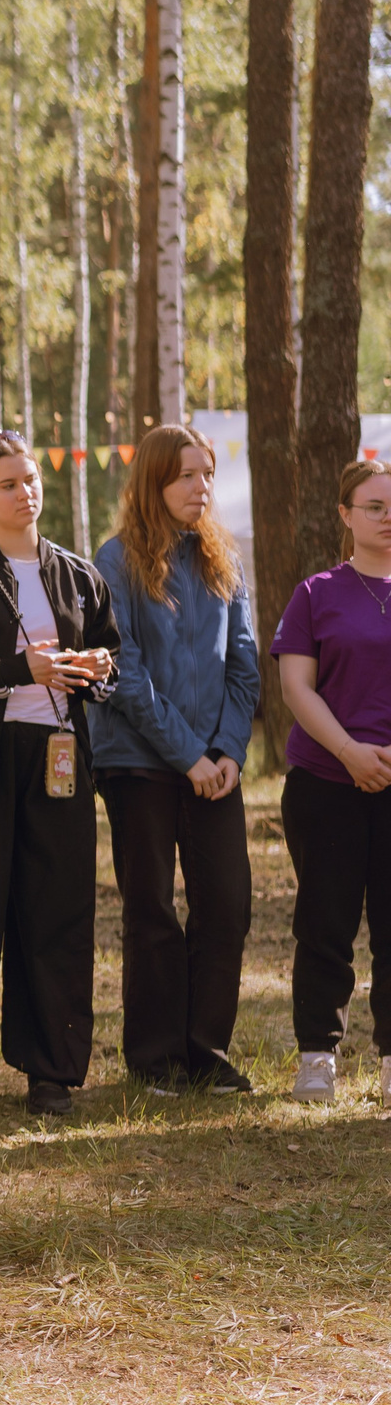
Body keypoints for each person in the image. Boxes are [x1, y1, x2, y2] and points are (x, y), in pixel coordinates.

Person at [0, 430, 120, 1118]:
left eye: (32, 479)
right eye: (8, 483)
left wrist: (94, 671)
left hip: (59, 760)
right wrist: (17, 672)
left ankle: (51, 1069)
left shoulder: (77, 574)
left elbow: (108, 657)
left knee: (57, 910)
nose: (25, 492)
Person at [91, 425, 258, 1097]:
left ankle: (206, 1052)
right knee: (153, 909)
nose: (202, 488)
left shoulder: (224, 557)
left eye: (208, 474)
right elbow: (125, 672)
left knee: (227, 904)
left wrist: (227, 752)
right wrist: (188, 755)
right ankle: (156, 1058)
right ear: (154, 481)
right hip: (139, 762)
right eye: (187, 475)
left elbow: (245, 665)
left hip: (215, 765)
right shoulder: (116, 560)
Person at [274, 460, 391, 1107]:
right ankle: (318, 1054)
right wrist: (351, 752)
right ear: (345, 515)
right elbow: (296, 686)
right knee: (325, 922)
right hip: (325, 781)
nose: (387, 517)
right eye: (374, 506)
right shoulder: (316, 592)